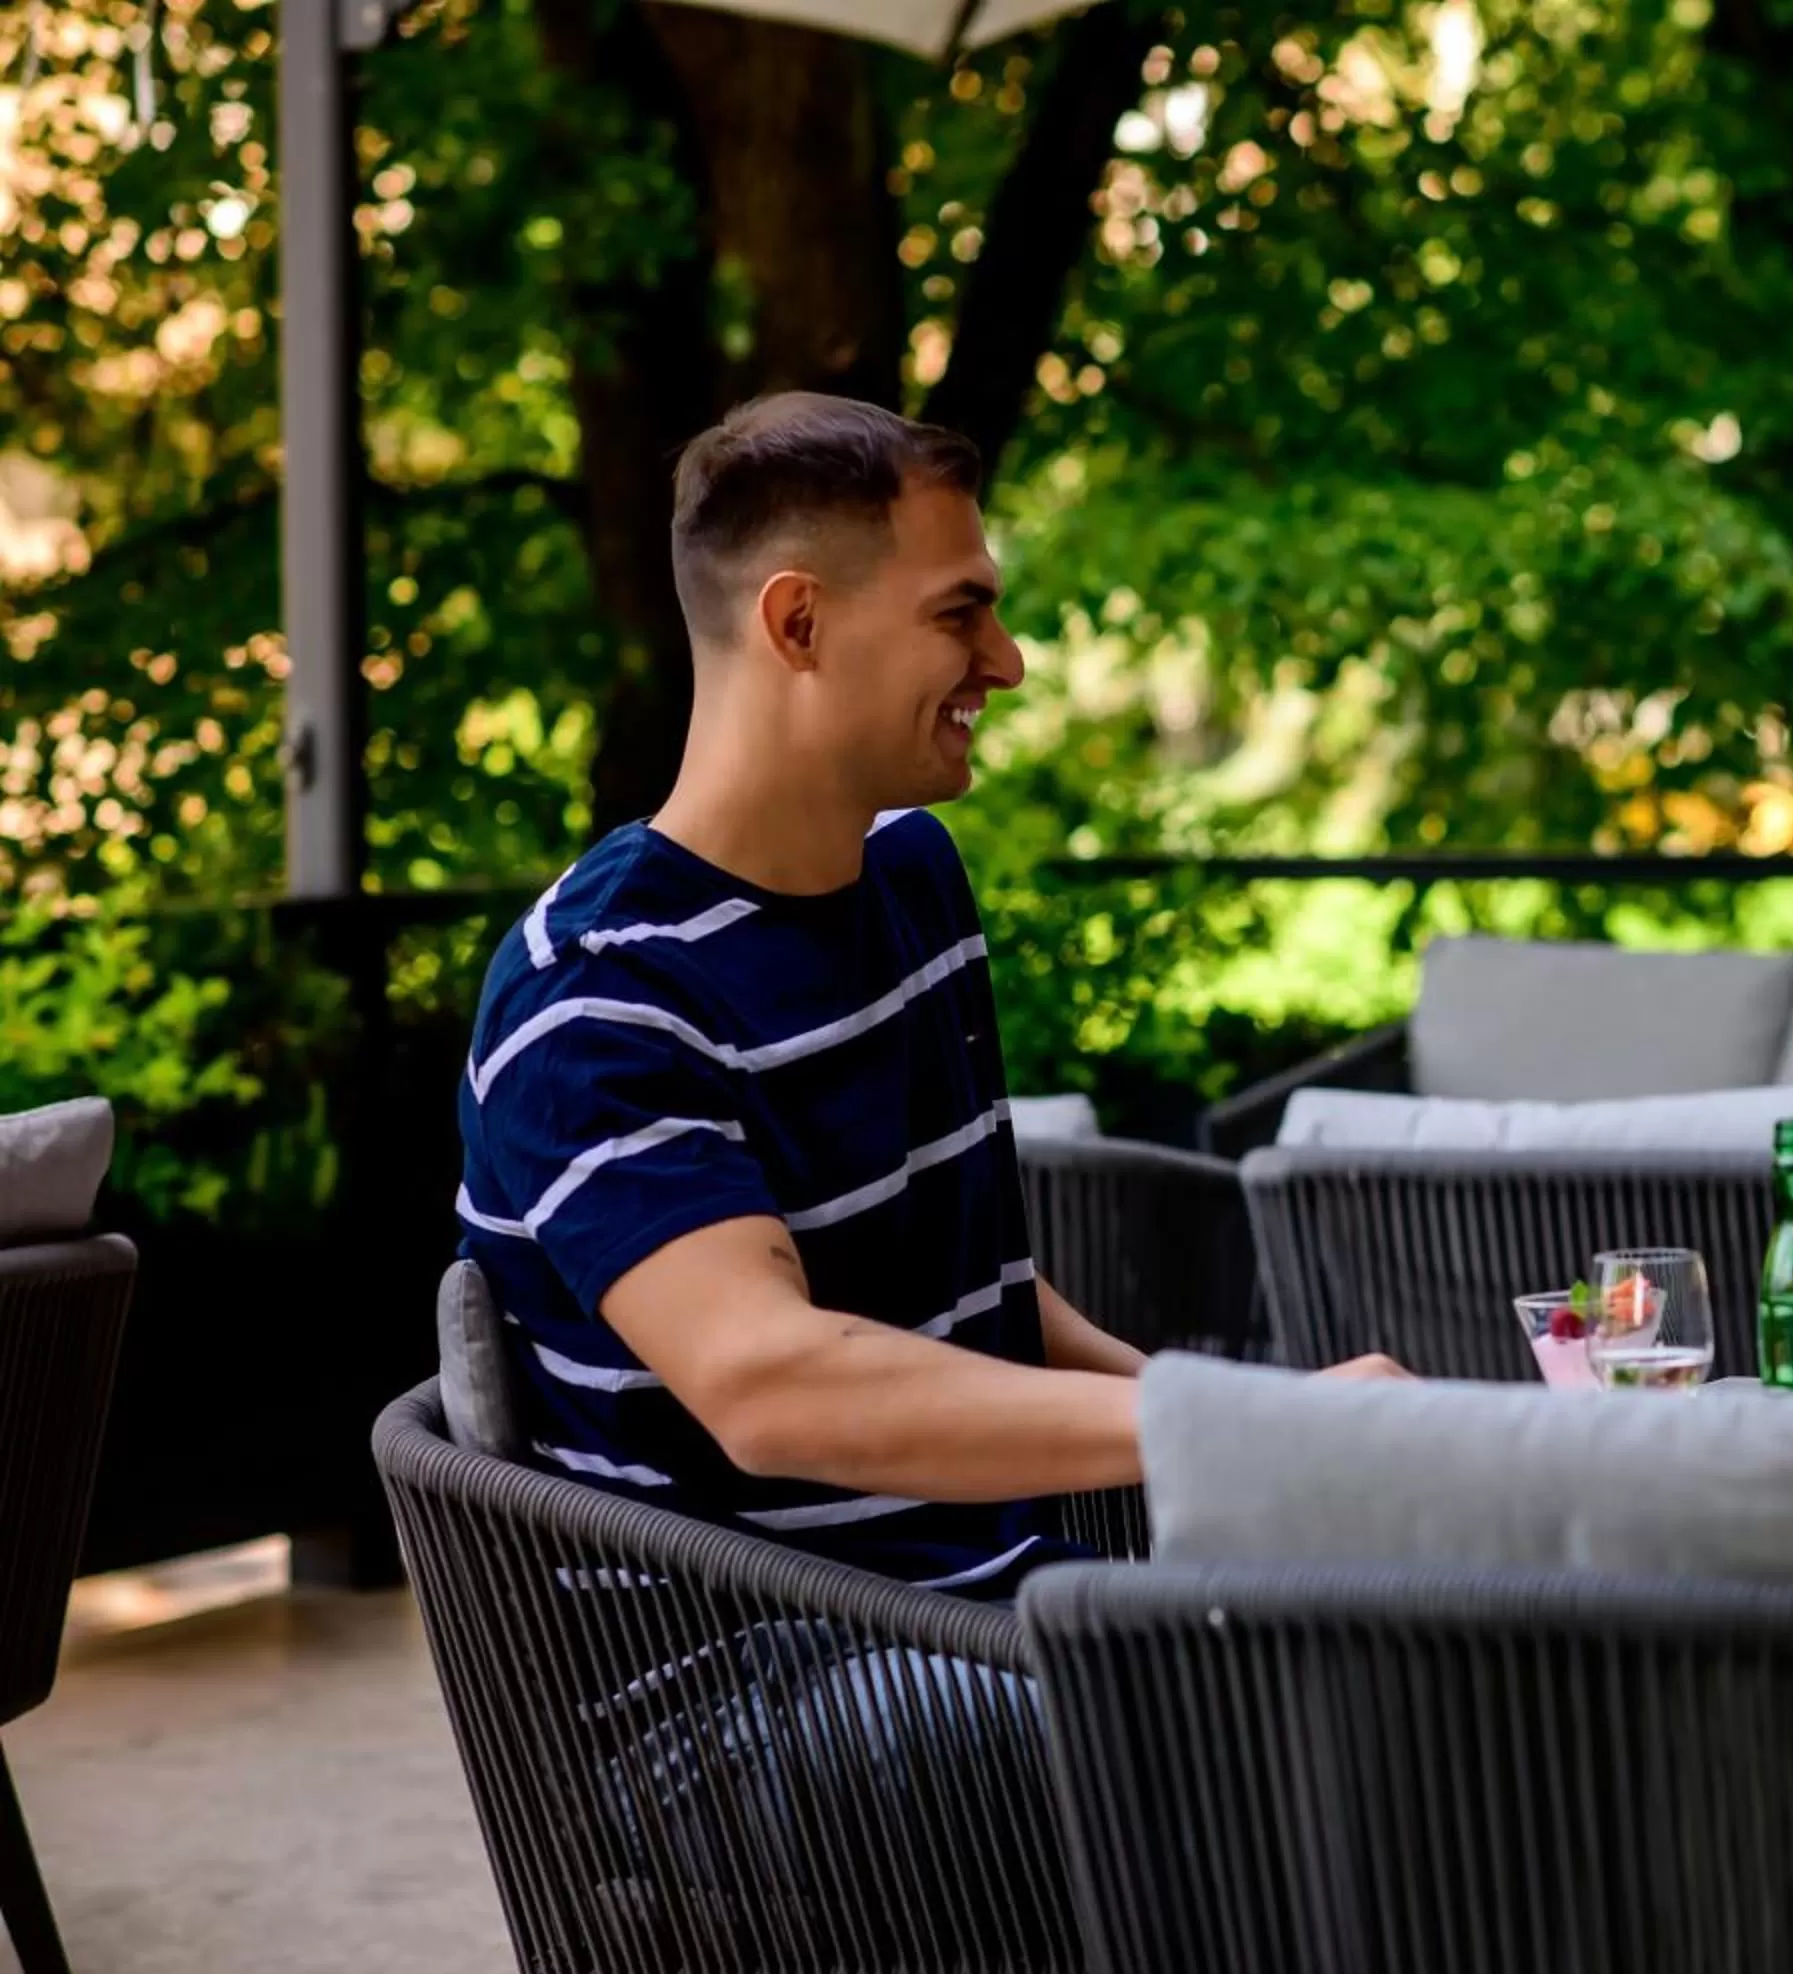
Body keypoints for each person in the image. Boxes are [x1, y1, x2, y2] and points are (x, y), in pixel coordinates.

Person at [455, 395, 1405, 1861]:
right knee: (1342, 1710)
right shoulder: (598, 995)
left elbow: (971, 1297)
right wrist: (1241, 1427)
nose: (1006, 663)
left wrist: (1266, 1439)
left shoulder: (908, 876)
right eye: (961, 615)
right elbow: (772, 1386)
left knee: (1473, 1621)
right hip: (732, 1707)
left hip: (976, 1612)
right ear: (797, 623)